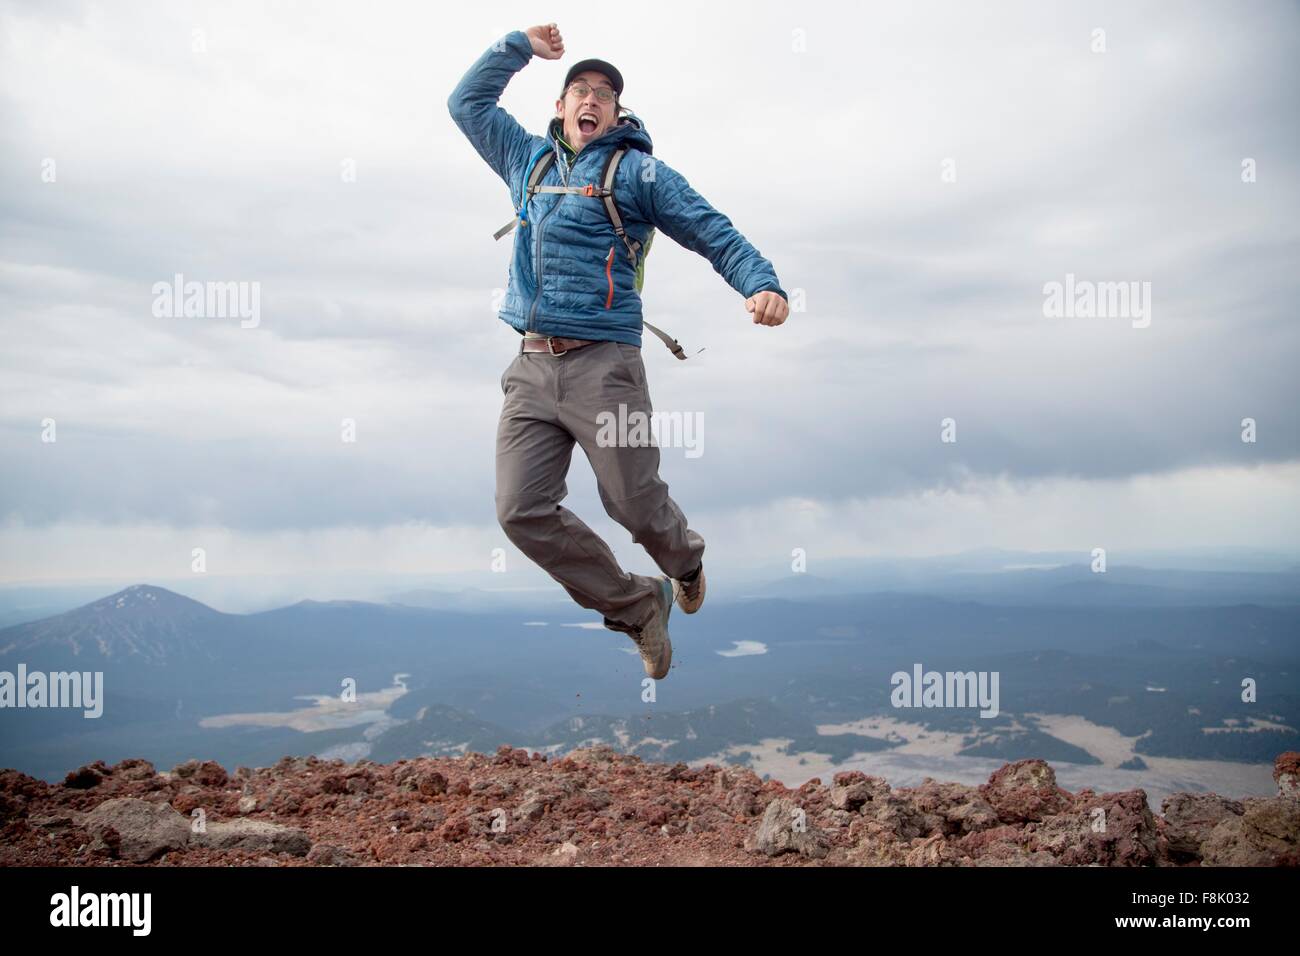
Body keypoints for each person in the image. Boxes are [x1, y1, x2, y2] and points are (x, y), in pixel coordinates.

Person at [448, 22, 789, 681]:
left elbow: (708, 226)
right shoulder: (527, 160)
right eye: (579, 88)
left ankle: (682, 562)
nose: (591, 98)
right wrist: (516, 46)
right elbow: (467, 105)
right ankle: (638, 607)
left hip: (606, 367)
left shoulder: (638, 172)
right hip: (530, 365)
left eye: (604, 93)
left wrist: (762, 283)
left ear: (616, 112)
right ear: (560, 108)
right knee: (519, 510)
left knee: (631, 502)